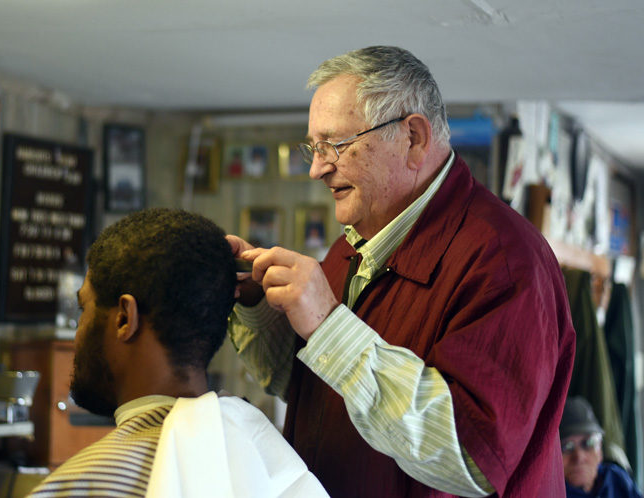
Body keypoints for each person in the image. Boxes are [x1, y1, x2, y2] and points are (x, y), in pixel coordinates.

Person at [227, 46, 576, 497]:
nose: (316, 168)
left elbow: (470, 459)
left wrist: (329, 326)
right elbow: (313, 391)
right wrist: (258, 301)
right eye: (313, 147)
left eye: (335, 144)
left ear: (412, 137)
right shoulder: (348, 247)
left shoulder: (506, 262)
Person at [30, 208, 327, 497]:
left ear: (124, 318)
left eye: (84, 309)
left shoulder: (84, 486)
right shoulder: (269, 461)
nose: (78, 329)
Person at [561, 396, 642, 497]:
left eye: (588, 443)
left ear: (600, 451)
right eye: (566, 447)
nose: (579, 457)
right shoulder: (551, 492)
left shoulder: (616, 478)